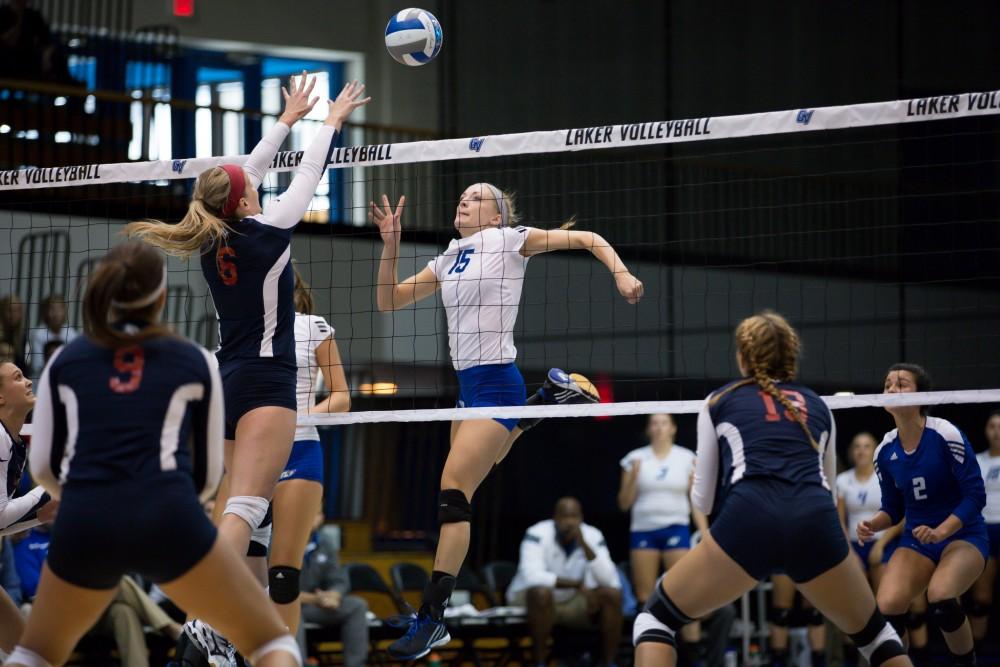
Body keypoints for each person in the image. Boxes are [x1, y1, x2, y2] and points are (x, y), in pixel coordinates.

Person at [126, 73, 369, 658]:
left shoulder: (217, 235)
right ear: (242, 199)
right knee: (247, 507)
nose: (253, 181)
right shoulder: (268, 232)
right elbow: (307, 172)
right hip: (266, 382)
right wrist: (329, 122)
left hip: (229, 380)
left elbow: (249, 172)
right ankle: (200, 617)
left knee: (241, 506)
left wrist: (288, 119)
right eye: (246, 184)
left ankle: (217, 617)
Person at [371, 185, 642, 659]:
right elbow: (388, 301)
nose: (464, 201)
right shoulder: (448, 257)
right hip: (466, 389)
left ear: (497, 216)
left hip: (497, 383)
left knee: (453, 494)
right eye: (461, 196)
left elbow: (589, 238)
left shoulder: (509, 240)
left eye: (476, 198)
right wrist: (390, 246)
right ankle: (547, 397)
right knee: (481, 470)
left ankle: (432, 619)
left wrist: (622, 275)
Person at [5, 240, 301, 667]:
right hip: (167, 514)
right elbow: (204, 478)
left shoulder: (65, 361)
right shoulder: (195, 360)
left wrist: (92, 494)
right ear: (161, 298)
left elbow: (46, 469)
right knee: (273, 643)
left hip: (88, 519)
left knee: (33, 654)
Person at [632, 310, 910, 667]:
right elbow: (825, 488)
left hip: (750, 519)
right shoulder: (819, 406)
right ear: (791, 358)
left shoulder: (720, 400)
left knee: (655, 620)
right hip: (814, 522)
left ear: (743, 357)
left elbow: (701, 500)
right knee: (876, 637)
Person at [239, 266, 350, 635]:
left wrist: (295, 418)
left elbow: (340, 397)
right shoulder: (242, 330)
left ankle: (283, 657)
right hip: (252, 454)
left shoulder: (313, 326)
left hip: (300, 448)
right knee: (243, 566)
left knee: (284, 575)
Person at [859, 363, 987, 666]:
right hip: (917, 539)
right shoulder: (885, 450)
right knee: (887, 607)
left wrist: (942, 530)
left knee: (941, 598)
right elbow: (893, 507)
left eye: (901, 384)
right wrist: (874, 523)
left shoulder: (945, 434)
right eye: (888, 384)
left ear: (921, 395)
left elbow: (976, 495)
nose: (891, 389)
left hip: (963, 534)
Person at [617, 413, 707, 663]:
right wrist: (634, 477)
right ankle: (651, 657)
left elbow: (695, 501)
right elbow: (623, 504)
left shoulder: (687, 458)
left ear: (673, 428)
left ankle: (692, 657)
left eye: (663, 422)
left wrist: (705, 532)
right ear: (648, 429)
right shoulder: (635, 459)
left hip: (676, 529)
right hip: (643, 531)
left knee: (684, 593)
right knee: (645, 598)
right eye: (654, 423)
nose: (658, 427)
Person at [506, 497, 623, 667]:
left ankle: (609, 663)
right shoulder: (536, 533)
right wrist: (577, 585)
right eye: (564, 517)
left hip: (572, 602)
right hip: (532, 602)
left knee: (611, 595)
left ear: (581, 518)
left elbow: (609, 580)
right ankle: (540, 662)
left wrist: (584, 545)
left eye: (574, 517)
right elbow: (531, 576)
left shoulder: (592, 535)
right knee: (541, 593)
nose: (569, 522)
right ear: (555, 517)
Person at [0, 360, 57, 657]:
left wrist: (38, 516)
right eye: (18, 377)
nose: (29, 382)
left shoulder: (12, 440)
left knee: (28, 654)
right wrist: (49, 489)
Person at [298, 511, 369, 667]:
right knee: (293, 614)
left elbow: (339, 580)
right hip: (287, 606)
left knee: (357, 605)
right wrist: (315, 598)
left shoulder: (325, 543)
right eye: (312, 511)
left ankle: (356, 664)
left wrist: (334, 594)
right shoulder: (276, 542)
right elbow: (272, 590)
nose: (317, 517)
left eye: (319, 512)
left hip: (317, 606)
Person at [970, 410, 1000, 644]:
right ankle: (975, 652)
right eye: (992, 426)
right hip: (985, 529)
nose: (997, 431)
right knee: (981, 596)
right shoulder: (977, 461)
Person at [27, 294, 79, 376]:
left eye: (59, 308)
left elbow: (75, 362)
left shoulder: (71, 333)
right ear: (45, 312)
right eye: (52, 308)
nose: (56, 313)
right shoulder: (38, 334)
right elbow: (37, 366)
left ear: (64, 311)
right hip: (41, 377)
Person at [0, 297, 27, 373]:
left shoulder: (22, 337)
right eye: (10, 310)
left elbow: (23, 367)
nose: (13, 314)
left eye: (17, 310)